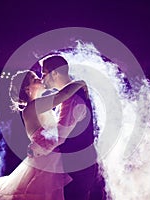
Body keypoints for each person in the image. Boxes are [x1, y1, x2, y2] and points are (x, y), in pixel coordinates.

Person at [0, 70, 87, 200]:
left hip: (48, 159)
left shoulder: (39, 105)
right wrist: (81, 82)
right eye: (35, 80)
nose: (40, 79)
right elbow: (63, 95)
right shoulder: (34, 106)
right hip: (46, 164)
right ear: (27, 89)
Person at [30, 55, 107, 200]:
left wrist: (35, 149)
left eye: (44, 73)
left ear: (54, 73)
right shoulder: (70, 94)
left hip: (78, 169)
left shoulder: (72, 99)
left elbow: (59, 136)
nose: (42, 78)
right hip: (79, 166)